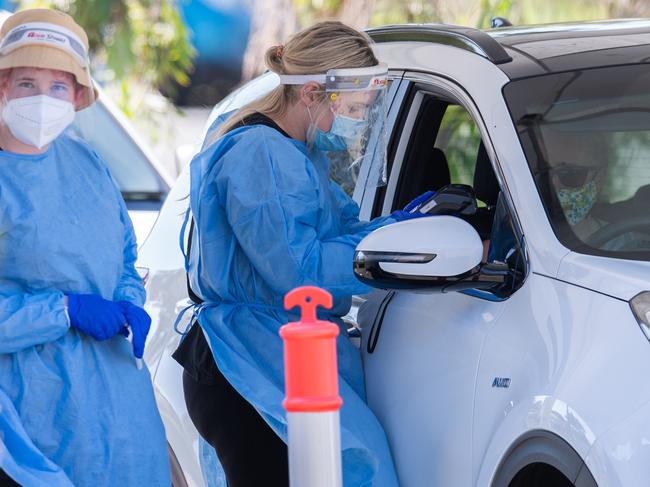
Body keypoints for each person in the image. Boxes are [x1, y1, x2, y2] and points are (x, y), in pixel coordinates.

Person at [174, 21, 432, 487]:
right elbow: (300, 271)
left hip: (267, 351)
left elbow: (341, 230)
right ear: (312, 94)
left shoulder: (295, 150)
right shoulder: (262, 154)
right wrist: (394, 248)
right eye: (353, 108)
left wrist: (404, 225)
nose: (357, 121)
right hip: (250, 359)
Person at [0, 9, 170, 486]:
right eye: (26, 83)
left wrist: (128, 302)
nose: (42, 100)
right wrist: (63, 310)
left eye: (57, 87)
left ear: (77, 97)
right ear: (2, 86)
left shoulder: (87, 163)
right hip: (26, 416)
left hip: (118, 409)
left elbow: (120, 256)